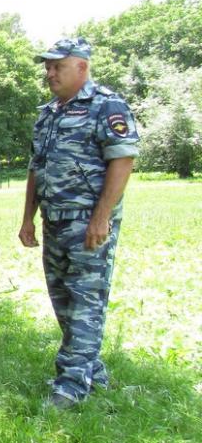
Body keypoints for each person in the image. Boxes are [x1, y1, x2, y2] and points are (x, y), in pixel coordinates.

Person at [19, 37, 139, 409]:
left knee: (86, 303)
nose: (49, 73)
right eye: (48, 67)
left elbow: (122, 159)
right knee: (64, 302)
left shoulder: (107, 105)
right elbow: (36, 169)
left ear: (82, 67)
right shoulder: (48, 113)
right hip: (55, 223)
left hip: (88, 224)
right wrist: (28, 218)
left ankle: (70, 386)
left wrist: (101, 218)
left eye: (57, 66)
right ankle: (92, 371)